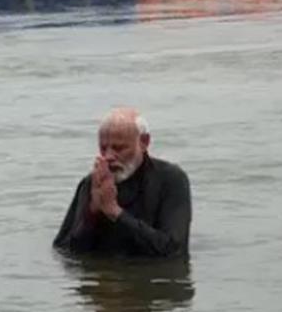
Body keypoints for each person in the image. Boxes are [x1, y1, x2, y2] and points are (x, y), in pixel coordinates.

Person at [53, 108, 192, 258]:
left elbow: (174, 250)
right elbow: (64, 250)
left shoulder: (171, 180)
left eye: (119, 148)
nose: (109, 156)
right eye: (103, 148)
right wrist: (92, 213)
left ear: (144, 142)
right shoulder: (92, 183)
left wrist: (115, 212)